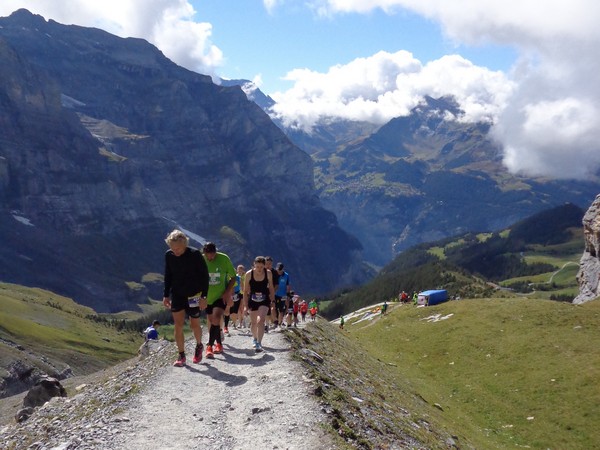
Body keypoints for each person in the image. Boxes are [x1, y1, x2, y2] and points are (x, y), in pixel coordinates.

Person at [162, 229, 209, 367]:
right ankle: (181, 354)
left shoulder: (195, 254)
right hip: (177, 294)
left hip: (194, 294)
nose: (175, 251)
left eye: (178, 249)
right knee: (178, 324)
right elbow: (168, 275)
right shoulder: (169, 255)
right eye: (172, 248)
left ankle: (199, 345)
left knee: (194, 324)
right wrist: (166, 295)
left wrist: (204, 296)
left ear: (184, 245)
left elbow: (204, 276)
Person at [203, 242, 237, 358]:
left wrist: (227, 292)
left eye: (212, 256)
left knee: (216, 318)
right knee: (211, 320)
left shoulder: (224, 258)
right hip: (207, 296)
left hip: (220, 296)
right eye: (208, 256)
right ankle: (219, 344)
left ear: (216, 252)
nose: (210, 258)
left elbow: (233, 277)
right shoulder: (201, 260)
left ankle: (209, 347)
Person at [243, 256, 274, 353]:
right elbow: (245, 291)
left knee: (261, 321)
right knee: (253, 323)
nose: (259, 269)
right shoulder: (249, 274)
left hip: (264, 300)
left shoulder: (268, 273)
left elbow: (271, 288)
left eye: (261, 267)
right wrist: (245, 306)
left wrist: (272, 301)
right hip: (253, 300)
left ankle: (259, 343)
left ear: (264, 266)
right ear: (254, 265)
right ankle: (255, 338)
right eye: (257, 267)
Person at [274, 262, 291, 328]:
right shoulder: (274, 273)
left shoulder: (286, 275)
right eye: (278, 269)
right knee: (275, 308)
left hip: (283, 295)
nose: (279, 271)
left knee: (281, 309)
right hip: (275, 294)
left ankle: (279, 323)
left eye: (280, 270)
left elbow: (288, 286)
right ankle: (275, 321)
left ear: (283, 269)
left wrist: (288, 295)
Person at [229, 264, 245, 330]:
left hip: (241, 294)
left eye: (241, 269)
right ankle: (237, 322)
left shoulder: (243, 276)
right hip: (235, 294)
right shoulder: (233, 277)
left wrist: (245, 293)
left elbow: (243, 286)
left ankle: (241, 322)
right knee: (237, 309)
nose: (240, 271)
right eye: (239, 269)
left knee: (241, 308)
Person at [265, 256, 278, 332]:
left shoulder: (274, 272)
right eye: (266, 264)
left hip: (271, 293)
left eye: (269, 264)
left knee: (271, 307)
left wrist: (272, 293)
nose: (268, 265)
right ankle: (267, 324)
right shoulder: (261, 271)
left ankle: (270, 323)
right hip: (262, 293)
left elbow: (276, 285)